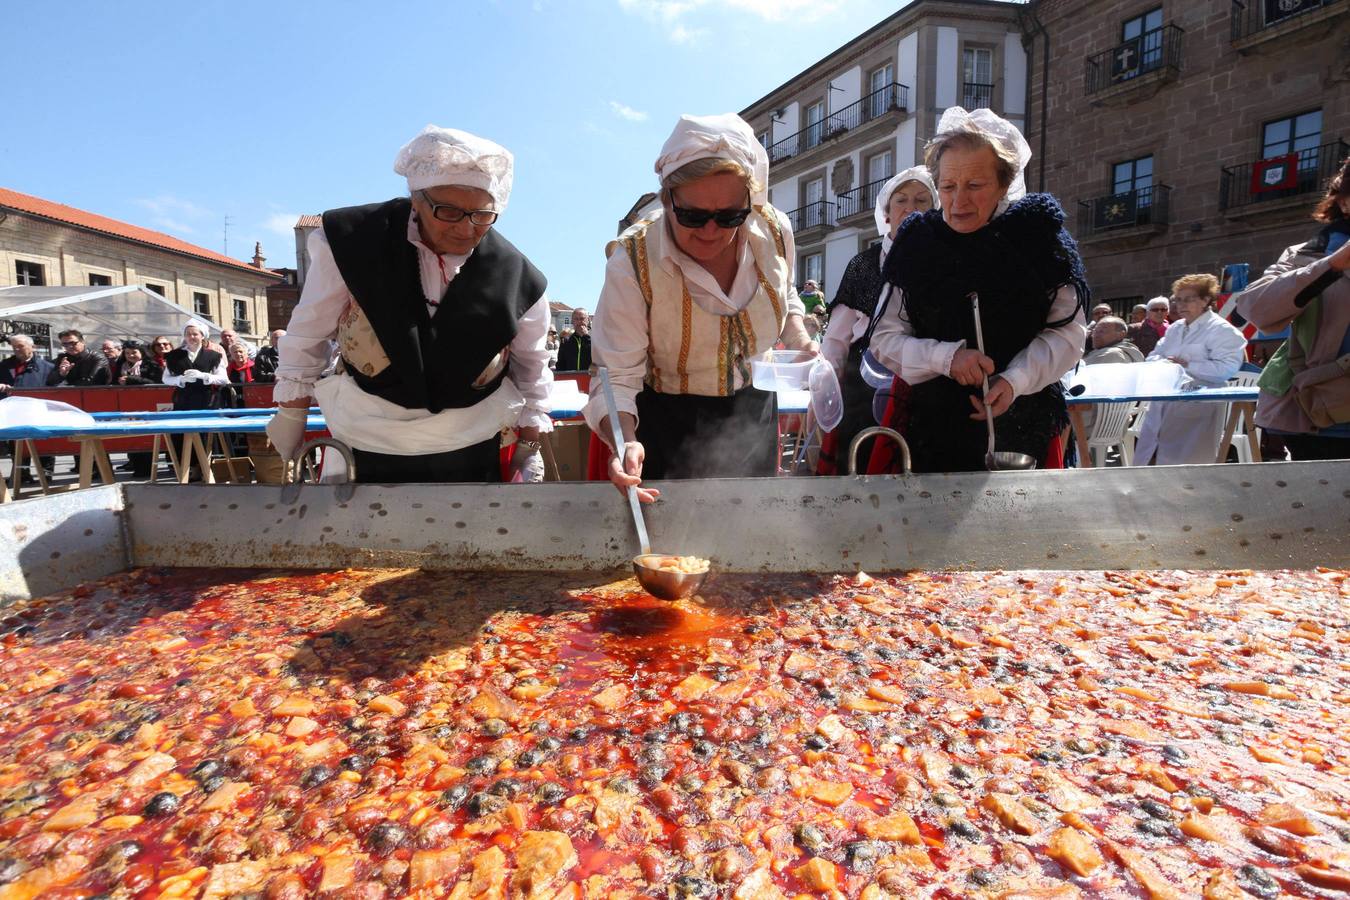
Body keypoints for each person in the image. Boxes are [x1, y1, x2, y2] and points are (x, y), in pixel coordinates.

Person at [266, 125, 553, 483]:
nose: (466, 229)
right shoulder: (354, 240)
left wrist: (529, 445)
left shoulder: (519, 277)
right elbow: (310, 331)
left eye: (481, 215)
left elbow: (532, 366)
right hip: (364, 437)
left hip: (472, 443)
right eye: (448, 211)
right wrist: (292, 412)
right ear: (416, 199)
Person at [585, 113, 815, 499]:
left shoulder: (774, 232)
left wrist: (799, 337)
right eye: (692, 216)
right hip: (663, 421)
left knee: (749, 538)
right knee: (671, 552)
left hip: (752, 413)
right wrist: (624, 442)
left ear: (750, 201)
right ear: (666, 198)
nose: (712, 232)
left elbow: (785, 293)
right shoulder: (633, 260)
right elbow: (616, 377)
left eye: (730, 216)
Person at [869, 107, 1088, 473]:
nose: (958, 202)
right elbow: (885, 338)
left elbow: (1069, 332)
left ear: (1004, 184)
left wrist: (1015, 379)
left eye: (975, 186)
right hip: (932, 424)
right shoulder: (918, 243)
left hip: (1023, 423)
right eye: (948, 187)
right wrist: (946, 358)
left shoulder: (1038, 239)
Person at [819, 166, 937, 475]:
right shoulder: (864, 265)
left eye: (922, 200)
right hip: (865, 388)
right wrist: (825, 388)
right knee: (862, 474)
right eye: (901, 201)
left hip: (927, 384)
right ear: (886, 214)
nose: (911, 208)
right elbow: (836, 339)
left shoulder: (944, 263)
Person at [1235, 154, 1350, 460]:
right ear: (1345, 202)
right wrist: (1333, 265)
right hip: (1323, 416)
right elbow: (1256, 310)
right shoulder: (1306, 255)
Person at [1134, 274, 1247, 465]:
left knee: (1191, 463)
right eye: (1178, 299)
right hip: (1167, 399)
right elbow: (1154, 355)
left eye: (1188, 299)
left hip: (1201, 403)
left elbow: (1226, 368)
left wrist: (1186, 366)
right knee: (1160, 460)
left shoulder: (1222, 331)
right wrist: (1164, 364)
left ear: (1206, 300)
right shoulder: (1175, 328)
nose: (1181, 304)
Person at [1, 334, 57, 482]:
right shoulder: (4, 366)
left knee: (43, 441)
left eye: (21, 346)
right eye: (14, 347)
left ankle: (46, 473)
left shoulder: (48, 367)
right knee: (17, 443)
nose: (17, 350)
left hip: (37, 410)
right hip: (13, 410)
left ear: (33, 347)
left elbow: (55, 388)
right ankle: (22, 474)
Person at [46, 329, 111, 386]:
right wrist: (61, 374)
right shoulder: (63, 358)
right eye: (65, 344)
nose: (69, 347)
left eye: (73, 343)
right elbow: (49, 381)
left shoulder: (97, 358)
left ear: (82, 342)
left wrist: (67, 386)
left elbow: (91, 381)